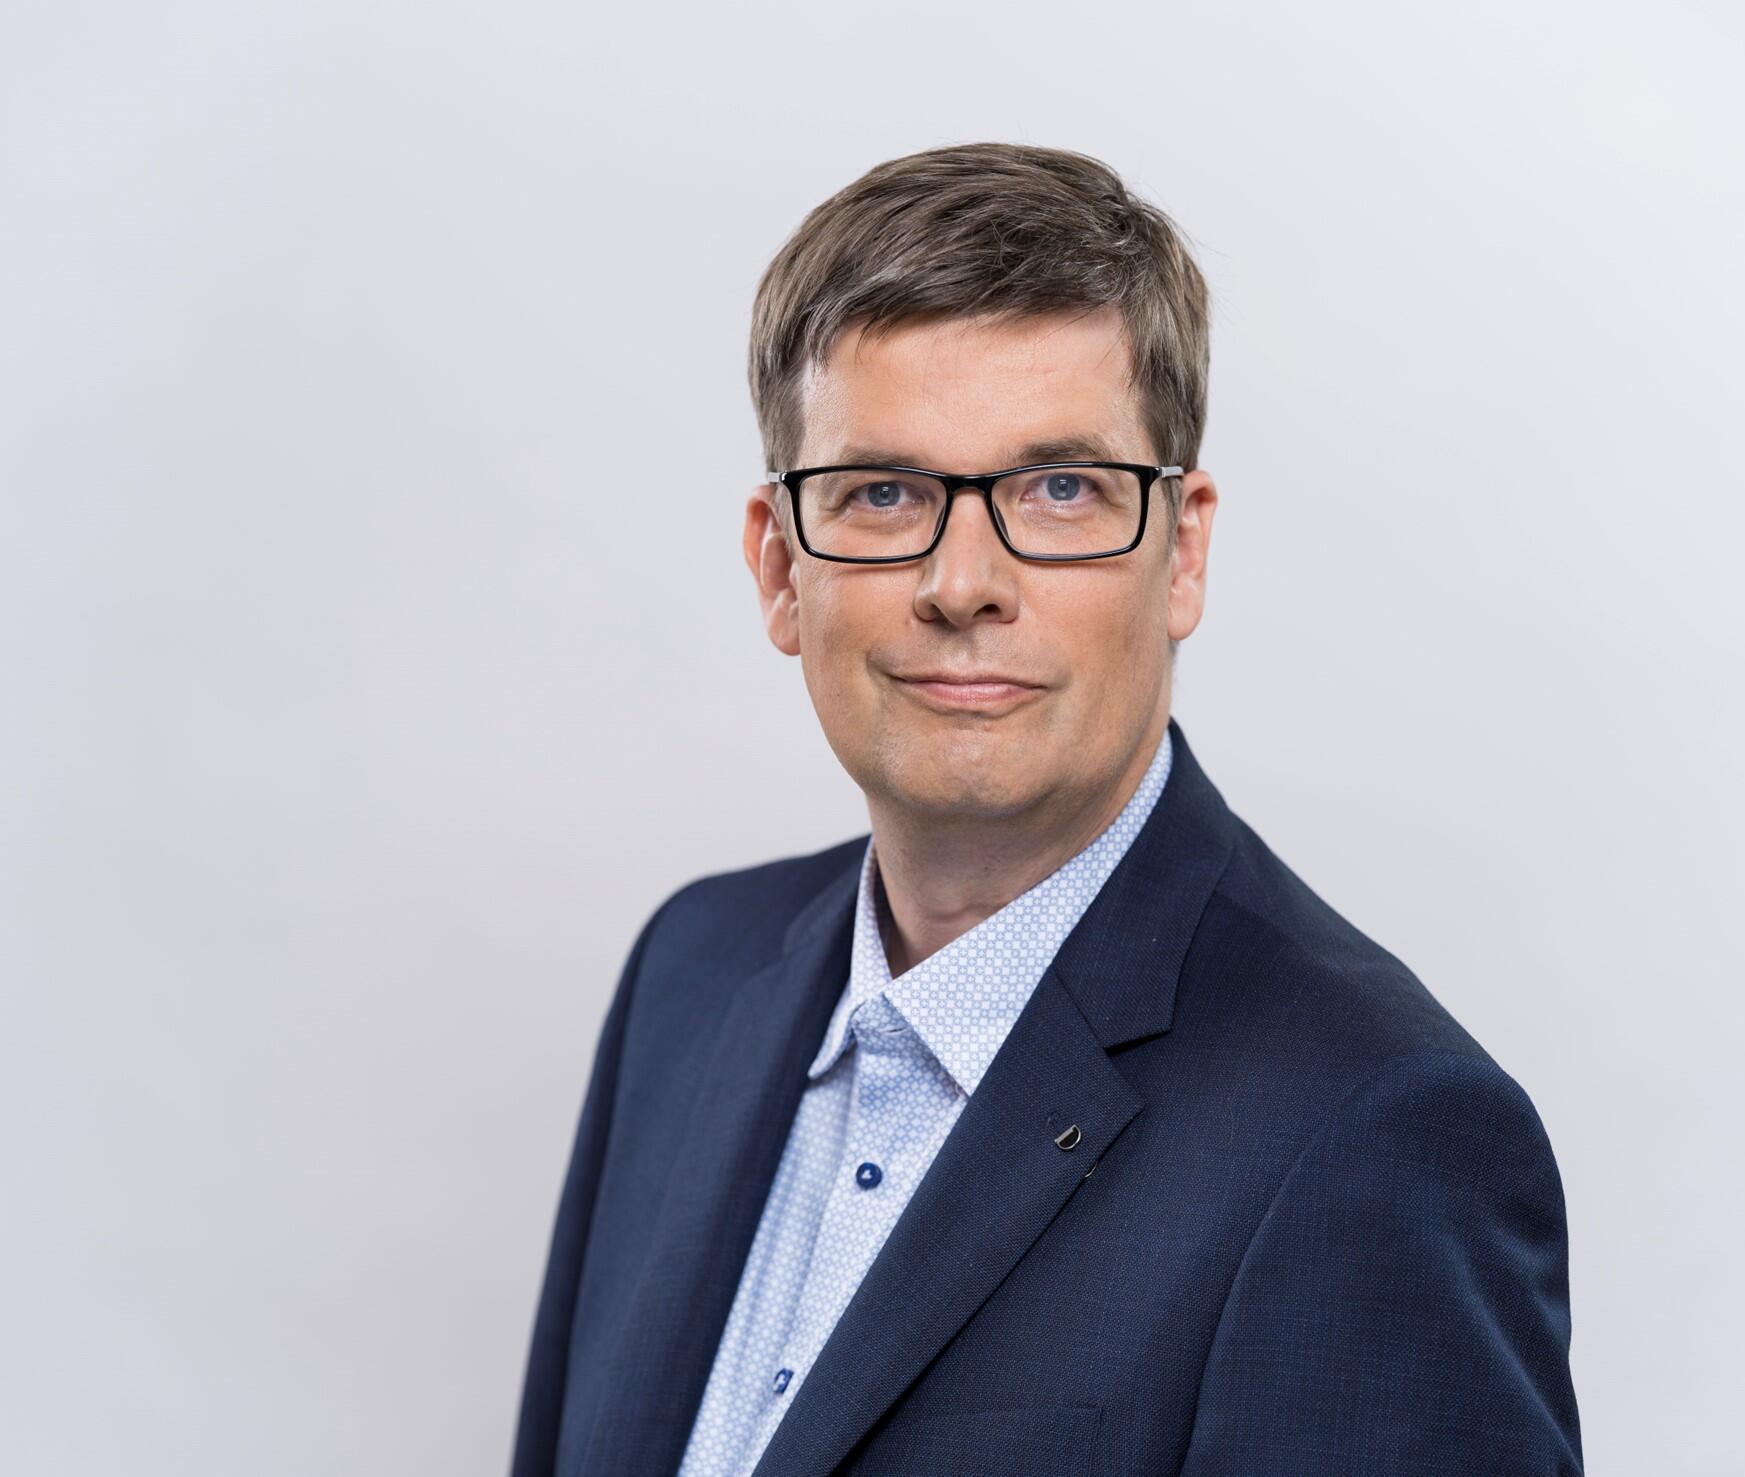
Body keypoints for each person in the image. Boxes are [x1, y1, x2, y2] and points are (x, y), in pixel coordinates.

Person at [510, 142, 1582, 1477]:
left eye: (1061, 489)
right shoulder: (691, 975)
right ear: (779, 567)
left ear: (1182, 552)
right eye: (884, 492)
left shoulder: (1378, 1135)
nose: (964, 582)